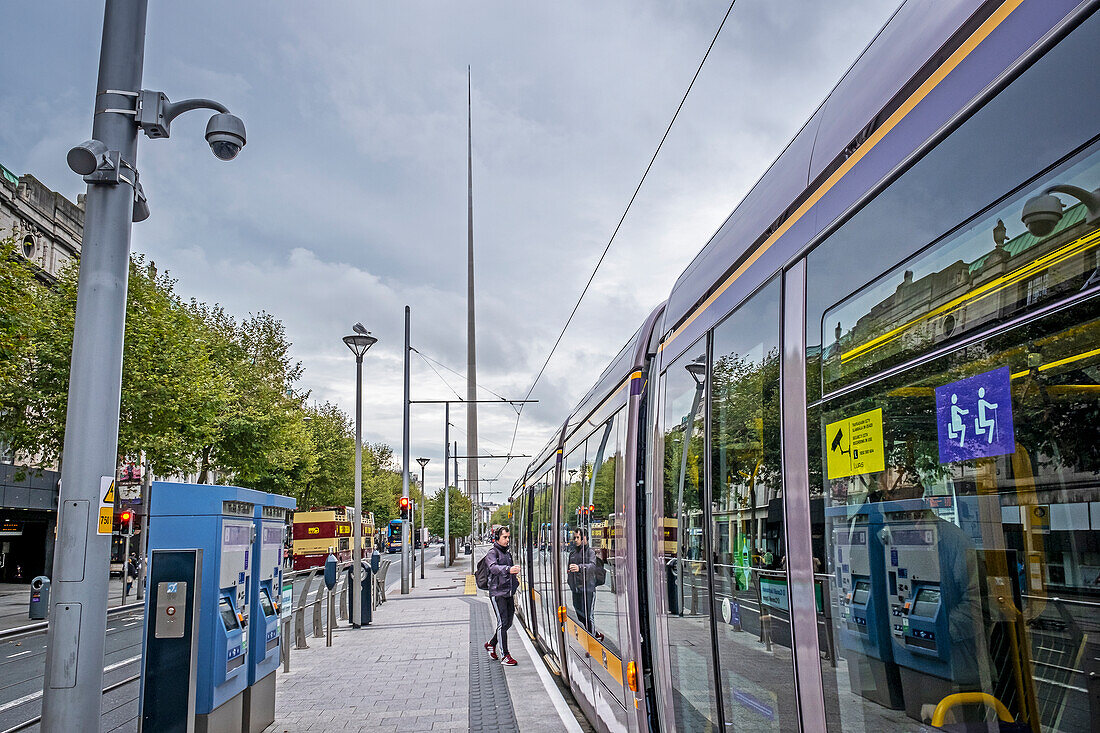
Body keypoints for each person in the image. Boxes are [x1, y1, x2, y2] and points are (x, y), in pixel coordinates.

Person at [484, 526, 520, 666]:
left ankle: (491, 644)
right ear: (498, 538)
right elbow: (493, 567)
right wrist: (508, 569)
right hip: (497, 592)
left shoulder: (507, 553)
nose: (507, 540)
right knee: (502, 623)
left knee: (508, 622)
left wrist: (514, 580)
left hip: (508, 592)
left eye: (508, 537)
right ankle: (505, 655)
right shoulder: (492, 553)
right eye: (505, 537)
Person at [567, 527, 601, 639]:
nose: (575, 540)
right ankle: (595, 634)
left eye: (578, 537)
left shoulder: (590, 552)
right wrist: (570, 577)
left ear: (584, 538)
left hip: (588, 589)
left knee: (588, 616)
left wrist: (579, 568)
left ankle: (592, 642)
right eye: (574, 538)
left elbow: (592, 566)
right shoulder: (572, 553)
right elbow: (569, 568)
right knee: (580, 615)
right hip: (576, 589)